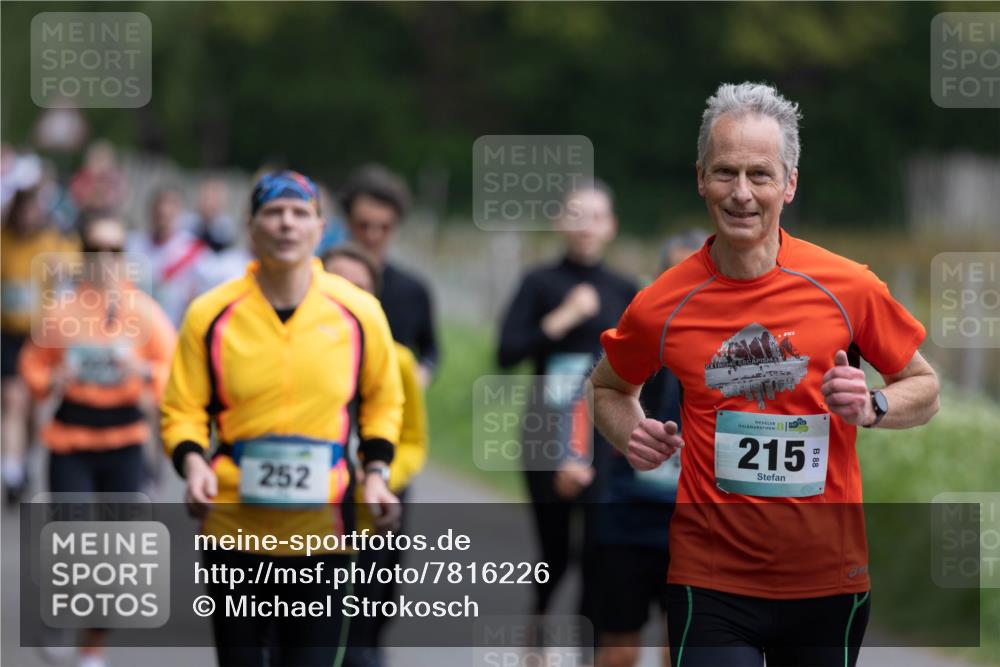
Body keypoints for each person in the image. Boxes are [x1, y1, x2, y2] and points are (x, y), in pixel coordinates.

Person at [591, 82, 940, 667]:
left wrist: (874, 406)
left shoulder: (848, 286)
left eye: (761, 174)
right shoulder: (663, 302)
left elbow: (924, 387)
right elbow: (607, 386)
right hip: (711, 580)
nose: (742, 194)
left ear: (791, 183)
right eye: (726, 172)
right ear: (700, 178)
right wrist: (630, 431)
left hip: (829, 580)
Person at [161, 170, 403, 667]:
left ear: (320, 227)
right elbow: (182, 409)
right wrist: (192, 465)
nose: (286, 224)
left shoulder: (359, 312)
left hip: (325, 530)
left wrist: (376, 472)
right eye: (273, 212)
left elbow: (383, 401)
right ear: (251, 228)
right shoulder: (210, 313)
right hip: (233, 527)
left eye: (299, 213)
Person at [18, 211, 176, 667]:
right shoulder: (61, 311)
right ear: (82, 256)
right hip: (71, 441)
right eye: (95, 251)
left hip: (125, 439)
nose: (105, 260)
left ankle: (92, 645)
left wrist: (144, 371)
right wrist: (53, 377)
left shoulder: (144, 311)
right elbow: (33, 368)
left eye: (114, 250)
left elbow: (174, 371)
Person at [497, 182, 639, 645]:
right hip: (545, 433)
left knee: (599, 549)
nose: (585, 226)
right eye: (576, 215)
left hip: (605, 435)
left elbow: (645, 372)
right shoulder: (539, 283)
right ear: (560, 222)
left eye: (595, 216)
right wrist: (564, 316)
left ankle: (588, 648)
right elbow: (506, 353)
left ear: (611, 226)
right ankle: (537, 625)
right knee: (554, 551)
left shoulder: (624, 290)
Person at [594, 230, 706, 667]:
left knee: (677, 651)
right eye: (672, 274)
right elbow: (593, 394)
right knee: (619, 650)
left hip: (695, 521)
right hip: (626, 512)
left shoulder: (734, 349)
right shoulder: (636, 332)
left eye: (693, 275)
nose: (684, 286)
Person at [322, 242, 429, 667]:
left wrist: (379, 477)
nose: (346, 298)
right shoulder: (285, 356)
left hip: (369, 514)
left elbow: (414, 440)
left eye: (359, 289)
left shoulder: (397, 360)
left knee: (364, 623)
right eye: (335, 286)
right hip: (299, 517)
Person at [1, 173, 78, 504]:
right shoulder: (4, 240)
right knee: (12, 401)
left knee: (33, 410)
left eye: (33, 210)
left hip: (41, 337)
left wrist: (63, 272)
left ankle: (23, 458)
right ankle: (11, 470)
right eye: (23, 210)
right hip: (8, 334)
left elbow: (75, 268)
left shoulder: (53, 241)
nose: (27, 217)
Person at [340, 164, 438, 386]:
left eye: (383, 227)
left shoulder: (413, 290)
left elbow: (430, 350)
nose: (372, 236)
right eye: (363, 225)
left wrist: (422, 374)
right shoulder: (320, 279)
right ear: (348, 221)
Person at [126, 187, 206, 327]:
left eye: (171, 205)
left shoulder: (194, 252)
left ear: (180, 211)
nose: (164, 210)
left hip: (170, 331)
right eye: (159, 205)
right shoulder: (131, 244)